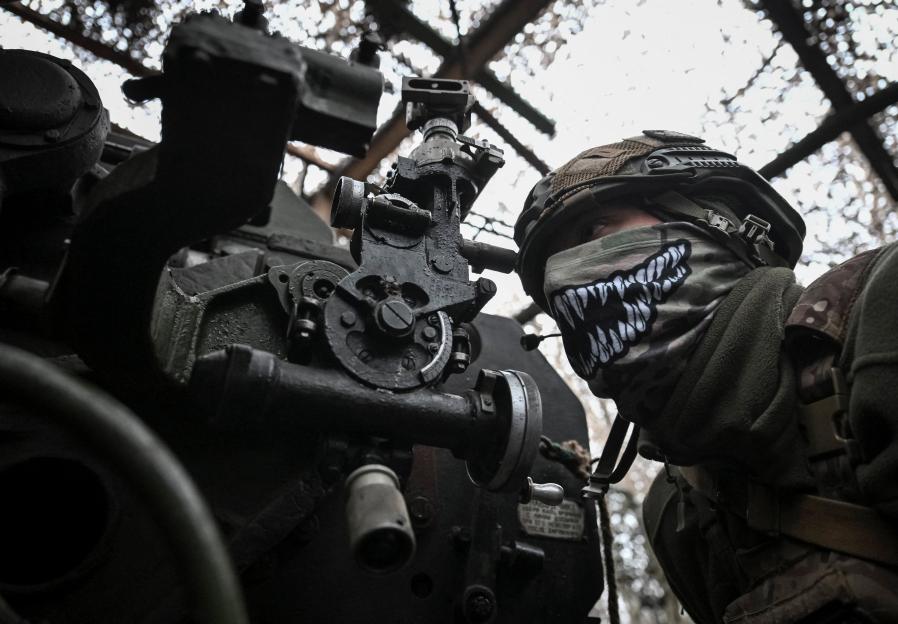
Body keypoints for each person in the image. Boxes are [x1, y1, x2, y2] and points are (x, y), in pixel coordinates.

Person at [513, 130, 898, 623]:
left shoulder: (875, 314)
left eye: (594, 231)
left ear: (720, 223)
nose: (564, 280)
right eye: (552, 270)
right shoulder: (674, 505)